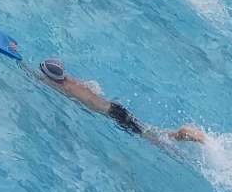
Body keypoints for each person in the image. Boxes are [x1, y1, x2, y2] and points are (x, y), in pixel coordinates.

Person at [38, 58, 206, 144]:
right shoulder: (70, 80)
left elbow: (39, 80)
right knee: (146, 129)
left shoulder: (63, 87)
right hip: (115, 107)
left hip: (113, 115)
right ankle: (179, 134)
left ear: (51, 78)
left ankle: (180, 135)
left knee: (152, 138)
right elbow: (93, 87)